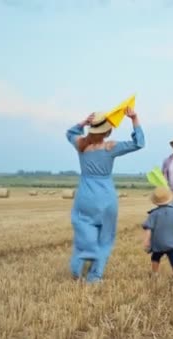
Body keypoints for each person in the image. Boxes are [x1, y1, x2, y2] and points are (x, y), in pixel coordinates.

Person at [65, 107, 144, 283]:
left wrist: (83, 122)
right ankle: (95, 276)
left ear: (90, 129)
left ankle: (77, 267)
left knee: (84, 232)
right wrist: (134, 119)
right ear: (107, 131)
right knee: (105, 238)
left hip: (85, 196)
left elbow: (69, 133)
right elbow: (139, 143)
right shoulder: (110, 147)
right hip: (106, 198)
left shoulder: (81, 145)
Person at [142, 186, 173, 280]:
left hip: (159, 244)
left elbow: (148, 228)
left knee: (155, 258)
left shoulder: (153, 214)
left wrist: (146, 241)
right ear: (169, 199)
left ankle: (155, 274)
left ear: (155, 201)